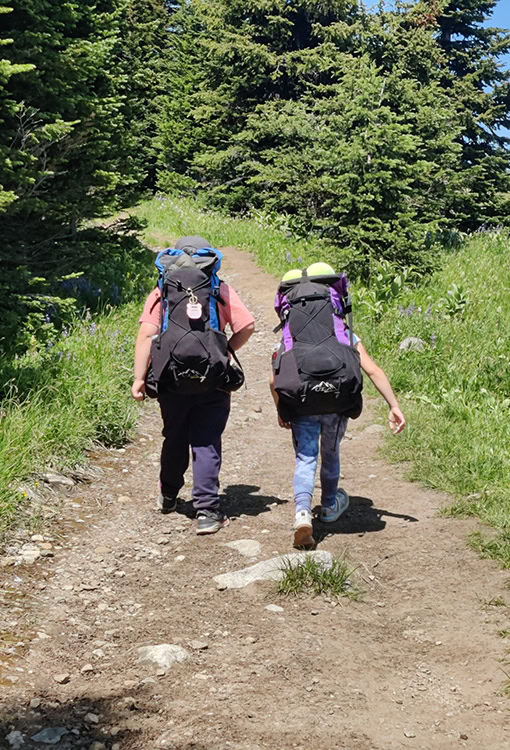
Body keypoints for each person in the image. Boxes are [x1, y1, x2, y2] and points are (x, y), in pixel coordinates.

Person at [270, 265, 405, 549]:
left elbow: (274, 379)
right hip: (335, 401)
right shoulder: (343, 333)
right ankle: (330, 505)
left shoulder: (290, 335)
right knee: (330, 453)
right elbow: (373, 370)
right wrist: (394, 406)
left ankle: (303, 514)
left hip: (303, 402)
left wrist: (281, 409)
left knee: (305, 458)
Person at [131, 236, 255, 535]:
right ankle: (207, 511)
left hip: (171, 379)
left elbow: (147, 335)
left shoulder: (163, 289)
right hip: (212, 379)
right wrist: (223, 351)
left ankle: (169, 496)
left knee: (174, 436)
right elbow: (247, 325)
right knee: (206, 440)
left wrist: (139, 378)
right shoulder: (218, 288)